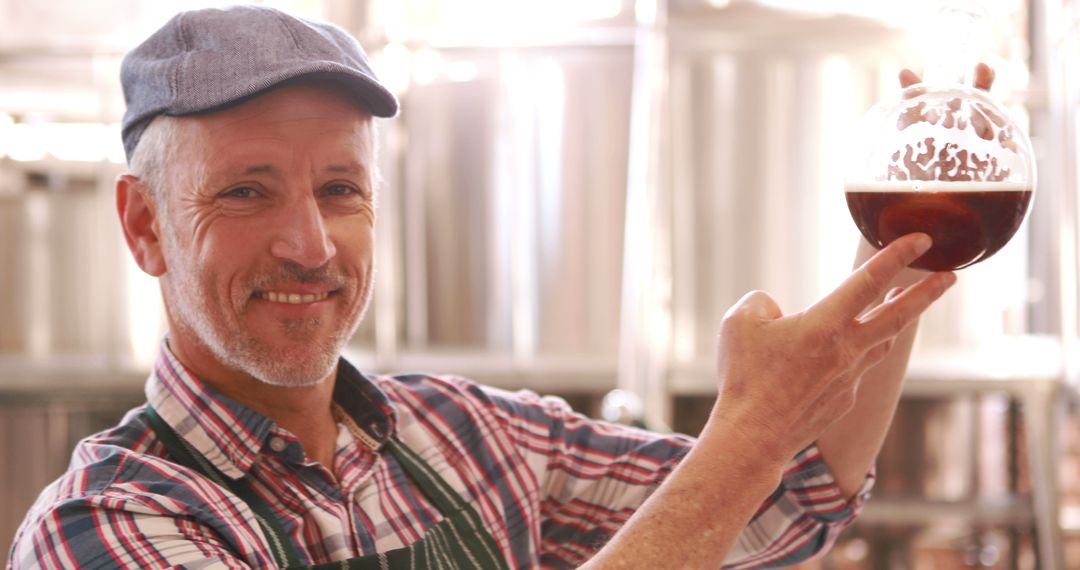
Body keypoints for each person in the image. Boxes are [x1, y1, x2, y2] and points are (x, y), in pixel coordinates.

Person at [6, 5, 980, 569]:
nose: (308, 245)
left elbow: (780, 504)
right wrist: (748, 435)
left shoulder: (465, 435)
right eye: (247, 192)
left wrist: (906, 242)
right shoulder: (109, 524)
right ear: (142, 224)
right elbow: (750, 469)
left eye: (340, 189)